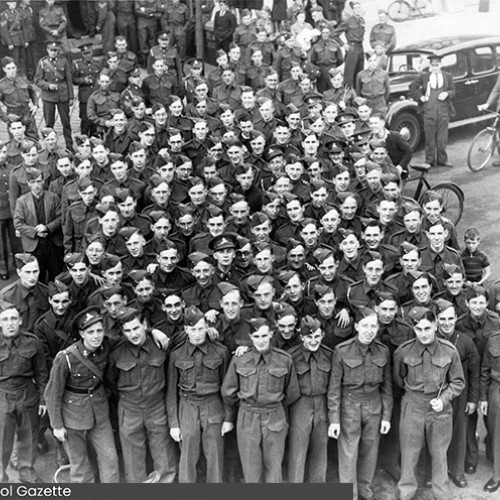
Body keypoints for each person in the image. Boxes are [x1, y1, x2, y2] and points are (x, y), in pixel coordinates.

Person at [394, 306, 465, 500]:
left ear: (435, 325)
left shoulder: (449, 351)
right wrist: (413, 397)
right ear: (413, 329)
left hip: (439, 409)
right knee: (409, 453)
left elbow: (458, 382)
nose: (423, 334)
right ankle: (406, 492)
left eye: (427, 328)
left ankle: (440, 493)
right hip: (413, 405)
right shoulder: (403, 351)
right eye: (419, 329)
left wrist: (443, 399)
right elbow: (399, 379)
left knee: (439, 454)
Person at [44, 305, 119, 483]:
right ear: (82, 333)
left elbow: (131, 337)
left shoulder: (106, 346)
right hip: (73, 415)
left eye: (99, 330)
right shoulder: (66, 357)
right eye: (90, 331)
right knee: (80, 464)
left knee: (110, 459)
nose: (96, 336)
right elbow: (52, 394)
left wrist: (152, 331)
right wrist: (57, 426)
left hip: (99, 411)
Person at [221, 317, 300, 483]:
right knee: (251, 469)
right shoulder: (240, 359)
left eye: (264, 336)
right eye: (256, 336)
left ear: (271, 334)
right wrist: (245, 405)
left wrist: (273, 405)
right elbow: (228, 392)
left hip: (274, 416)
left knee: (274, 467)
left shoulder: (284, 360)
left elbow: (292, 392)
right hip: (247, 416)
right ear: (250, 337)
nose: (261, 340)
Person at [106, 307, 177, 483]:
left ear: (144, 324)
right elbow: (110, 380)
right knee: (132, 453)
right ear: (122, 332)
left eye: (136, 328)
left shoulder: (160, 345)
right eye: (127, 330)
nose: (133, 334)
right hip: (129, 407)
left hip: (156, 405)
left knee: (163, 450)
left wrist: (154, 331)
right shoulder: (116, 352)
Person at [328, 307, 392, 500]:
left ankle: (365, 488)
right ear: (356, 326)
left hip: (374, 405)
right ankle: (350, 493)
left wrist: (386, 416)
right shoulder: (342, 350)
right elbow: (334, 388)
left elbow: (387, 388)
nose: (369, 330)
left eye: (373, 325)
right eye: (365, 325)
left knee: (370, 449)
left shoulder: (383, 351)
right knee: (348, 452)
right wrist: (334, 419)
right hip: (350, 405)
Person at [166, 305, 232, 483]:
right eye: (193, 329)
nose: (197, 334)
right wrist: (173, 423)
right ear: (186, 329)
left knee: (215, 454)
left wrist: (228, 418)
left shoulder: (221, 351)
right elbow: (171, 391)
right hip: (187, 405)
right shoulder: (176, 354)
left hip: (213, 405)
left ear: (207, 328)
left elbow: (227, 389)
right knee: (187, 454)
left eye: (201, 329)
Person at [0, 302, 48, 484]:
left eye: (13, 318)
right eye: (5, 319)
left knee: (29, 436)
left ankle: (26, 471)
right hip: (2, 395)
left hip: (27, 393)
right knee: (2, 437)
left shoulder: (32, 341)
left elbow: (41, 372)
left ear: (20, 321)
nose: (10, 323)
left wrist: (43, 399)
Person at [287, 315, 333, 483]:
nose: (314, 341)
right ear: (301, 337)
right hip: (300, 404)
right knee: (297, 451)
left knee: (320, 449)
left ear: (322, 336)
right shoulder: (291, 357)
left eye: (317, 336)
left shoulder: (329, 355)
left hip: (322, 404)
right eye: (309, 337)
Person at [13, 167, 63, 283]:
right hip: (34, 245)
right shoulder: (22, 201)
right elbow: (18, 223)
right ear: (28, 184)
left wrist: (47, 228)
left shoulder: (53, 197)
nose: (36, 185)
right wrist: (35, 231)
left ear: (43, 181)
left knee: (55, 275)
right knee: (36, 277)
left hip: (52, 243)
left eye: (39, 181)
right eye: (33, 182)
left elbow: (61, 218)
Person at [409, 53, 455, 168]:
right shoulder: (424, 76)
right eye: (433, 65)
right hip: (429, 110)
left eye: (437, 65)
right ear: (430, 66)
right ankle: (429, 161)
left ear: (441, 65)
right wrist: (421, 97)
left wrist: (447, 94)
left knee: (442, 137)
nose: (435, 68)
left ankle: (442, 160)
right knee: (429, 137)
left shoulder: (447, 76)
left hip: (443, 110)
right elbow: (412, 87)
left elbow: (453, 90)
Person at [34, 41, 73, 151]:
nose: (53, 53)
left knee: (66, 122)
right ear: (47, 50)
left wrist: (71, 97)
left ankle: (69, 146)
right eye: (51, 50)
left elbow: (68, 80)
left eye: (55, 50)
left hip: (62, 95)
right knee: (49, 123)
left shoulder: (63, 61)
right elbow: (37, 80)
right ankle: (49, 147)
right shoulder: (42, 62)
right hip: (48, 97)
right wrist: (47, 85)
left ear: (58, 51)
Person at [0, 56, 38, 139]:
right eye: (9, 68)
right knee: (15, 141)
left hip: (27, 112)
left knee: (34, 139)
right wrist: (5, 118)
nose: (12, 71)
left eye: (13, 68)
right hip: (13, 114)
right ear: (4, 69)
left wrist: (35, 105)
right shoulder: (2, 85)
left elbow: (33, 92)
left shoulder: (23, 79)